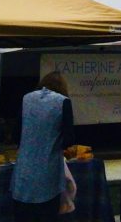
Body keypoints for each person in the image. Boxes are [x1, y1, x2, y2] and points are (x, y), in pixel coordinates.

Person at [11, 71, 75, 222]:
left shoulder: (26, 99)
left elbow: (15, 135)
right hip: (48, 178)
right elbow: (69, 139)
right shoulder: (64, 102)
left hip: (22, 176)